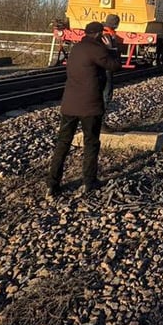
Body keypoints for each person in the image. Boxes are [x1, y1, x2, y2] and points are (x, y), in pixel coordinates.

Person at [47, 21, 121, 197]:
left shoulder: (77, 49)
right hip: (90, 106)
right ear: (98, 34)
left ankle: (52, 184)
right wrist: (112, 48)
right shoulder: (97, 49)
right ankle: (89, 181)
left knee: (62, 144)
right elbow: (114, 66)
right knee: (91, 143)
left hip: (69, 104)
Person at [101, 14, 122, 109]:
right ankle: (101, 116)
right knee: (106, 90)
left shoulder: (104, 32)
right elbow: (108, 50)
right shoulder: (107, 35)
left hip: (105, 65)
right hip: (106, 66)